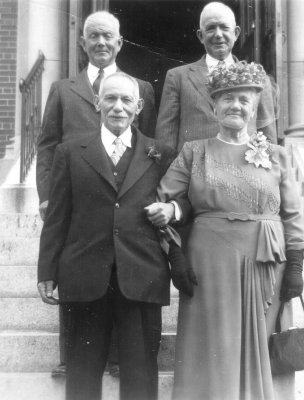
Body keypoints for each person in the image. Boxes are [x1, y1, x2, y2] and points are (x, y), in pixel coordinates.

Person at [147, 61, 304, 400]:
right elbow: (165, 201)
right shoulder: (194, 152)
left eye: (244, 100)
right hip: (209, 262)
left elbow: (294, 215)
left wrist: (295, 263)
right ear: (213, 106)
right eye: (227, 99)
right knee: (212, 349)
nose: (235, 105)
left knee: (259, 348)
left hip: (267, 263)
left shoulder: (277, 155)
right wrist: (175, 254)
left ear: (254, 108)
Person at [37, 72, 181, 400]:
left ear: (139, 106)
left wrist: (173, 209)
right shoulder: (70, 152)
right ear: (97, 102)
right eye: (110, 98)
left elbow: (180, 201)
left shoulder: (160, 153)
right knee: (82, 374)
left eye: (126, 100)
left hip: (142, 275)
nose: (118, 107)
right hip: (84, 274)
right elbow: (57, 217)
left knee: (141, 375)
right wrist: (47, 270)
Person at [36, 10, 156, 377]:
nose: (101, 43)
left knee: (122, 272)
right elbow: (47, 145)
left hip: (125, 202)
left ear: (120, 42)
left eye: (108, 36)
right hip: (76, 197)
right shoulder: (63, 90)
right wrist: (47, 196)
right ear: (82, 42)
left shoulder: (141, 89)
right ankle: (70, 358)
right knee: (78, 272)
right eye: (94, 36)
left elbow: (146, 150)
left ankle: (120, 357)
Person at [155, 1, 278, 151]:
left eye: (224, 28)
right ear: (201, 36)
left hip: (243, 170)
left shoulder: (259, 79)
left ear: (236, 33)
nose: (218, 34)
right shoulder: (177, 77)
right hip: (193, 171)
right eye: (211, 28)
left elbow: (269, 140)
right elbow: (165, 140)